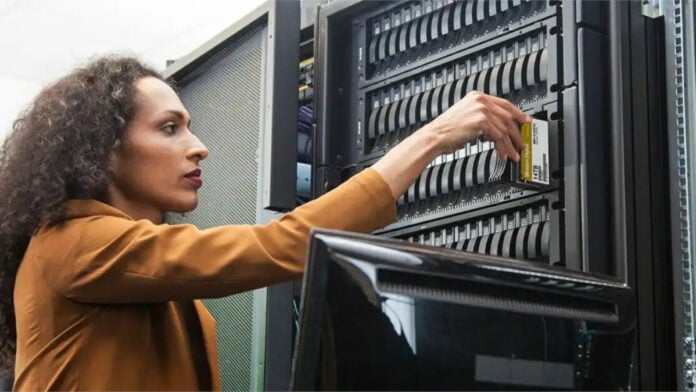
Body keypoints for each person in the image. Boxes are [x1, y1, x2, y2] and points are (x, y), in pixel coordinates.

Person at [0, 56, 528, 390]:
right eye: (169, 129)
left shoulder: (141, 268)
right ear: (104, 152)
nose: (198, 146)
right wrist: (433, 137)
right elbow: (285, 244)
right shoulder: (72, 243)